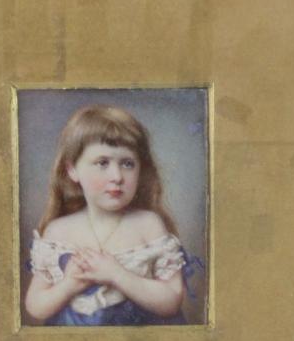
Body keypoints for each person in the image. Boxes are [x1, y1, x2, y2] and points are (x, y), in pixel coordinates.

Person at [25, 105, 187, 326]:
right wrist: (70, 284)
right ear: (72, 170)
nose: (117, 176)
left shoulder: (148, 224)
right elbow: (36, 307)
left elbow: (172, 301)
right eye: (102, 163)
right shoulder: (58, 231)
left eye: (127, 164)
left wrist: (117, 275)